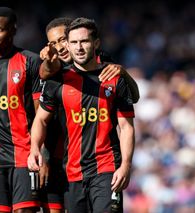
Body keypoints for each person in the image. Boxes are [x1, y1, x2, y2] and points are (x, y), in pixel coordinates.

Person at [28, 17, 135, 213]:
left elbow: (127, 126)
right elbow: (41, 120)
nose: (79, 47)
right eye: (74, 42)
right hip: (73, 171)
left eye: (84, 41)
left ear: (96, 43)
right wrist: (35, 147)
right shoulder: (57, 82)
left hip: (107, 168)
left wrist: (126, 166)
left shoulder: (113, 77)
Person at [0, 7, 42, 213]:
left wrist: (41, 152)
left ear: (13, 31)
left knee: (24, 211)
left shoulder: (29, 61)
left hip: (24, 153)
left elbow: (41, 113)